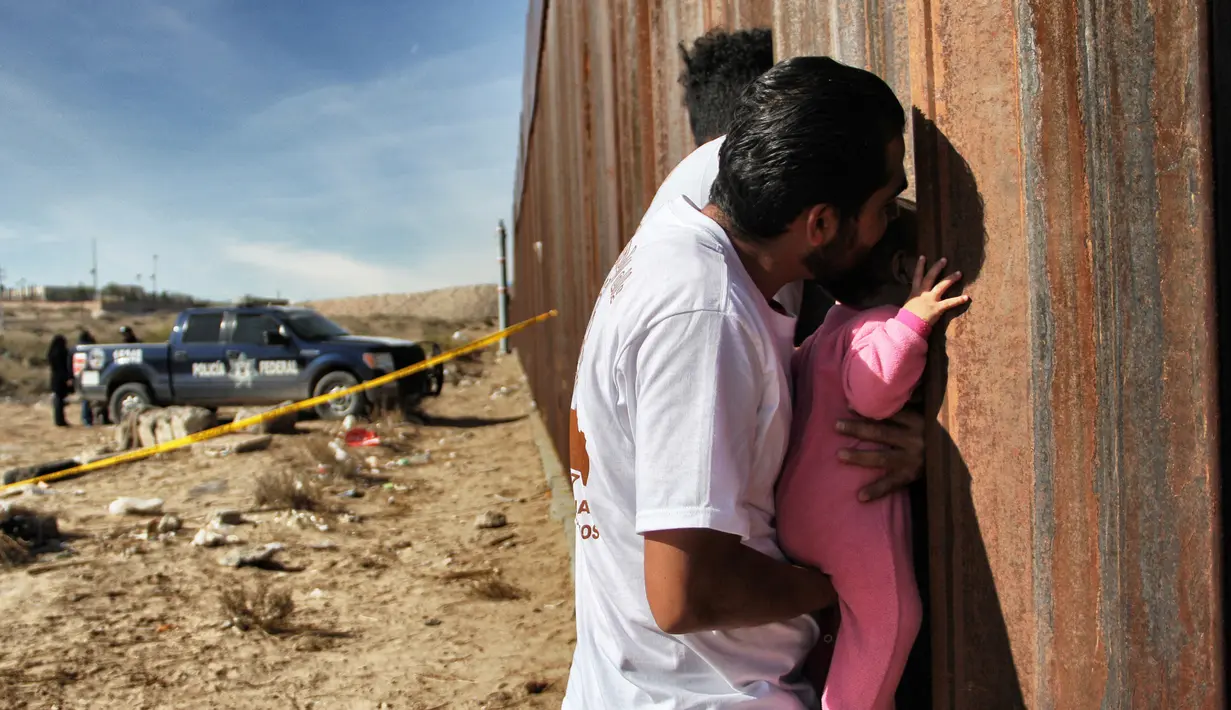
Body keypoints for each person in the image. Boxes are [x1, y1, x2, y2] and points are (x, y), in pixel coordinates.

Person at [564, 56, 911, 708]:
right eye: (883, 204)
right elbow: (686, 593)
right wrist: (840, 585)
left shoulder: (680, 244)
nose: (890, 223)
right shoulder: (702, 315)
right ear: (820, 224)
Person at [777, 222, 969, 707]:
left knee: (842, 625)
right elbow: (874, 390)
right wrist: (914, 320)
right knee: (891, 618)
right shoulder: (874, 324)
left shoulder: (828, 329)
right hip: (851, 520)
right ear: (907, 269)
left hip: (799, 515)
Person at [47, 335, 72, 427]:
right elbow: (63, 367)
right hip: (61, 379)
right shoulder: (62, 352)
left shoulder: (52, 353)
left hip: (55, 378)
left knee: (58, 400)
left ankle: (58, 420)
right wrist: (67, 378)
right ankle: (60, 420)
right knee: (60, 401)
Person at [77, 328, 96, 425]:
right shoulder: (88, 348)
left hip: (82, 375)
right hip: (88, 374)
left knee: (86, 398)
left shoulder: (79, 348)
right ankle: (87, 419)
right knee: (87, 398)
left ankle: (86, 418)